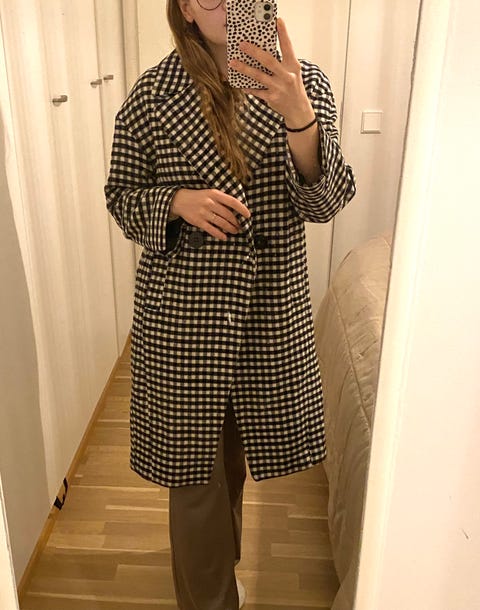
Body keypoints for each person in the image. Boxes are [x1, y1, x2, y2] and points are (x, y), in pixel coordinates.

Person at [105, 1, 356, 608]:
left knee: (233, 462)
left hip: (265, 309)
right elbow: (121, 196)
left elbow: (324, 204)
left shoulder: (304, 83)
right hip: (184, 314)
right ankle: (210, 599)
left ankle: (222, 574)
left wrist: (299, 117)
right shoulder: (151, 96)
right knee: (194, 476)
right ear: (187, 10)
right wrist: (175, 201)